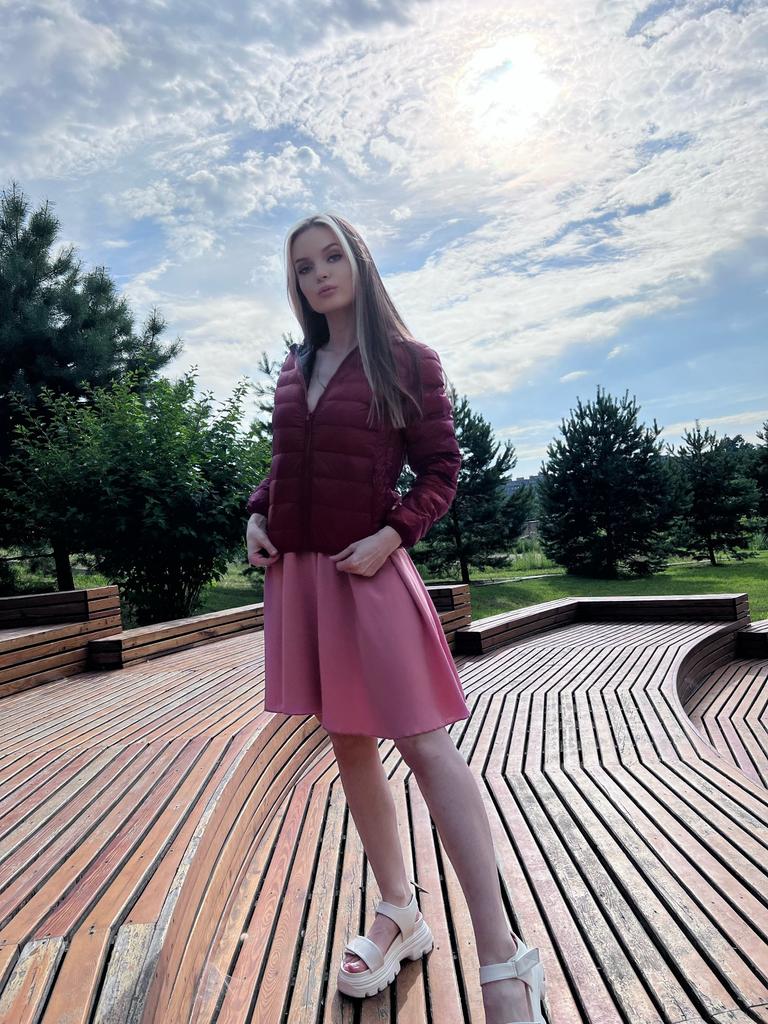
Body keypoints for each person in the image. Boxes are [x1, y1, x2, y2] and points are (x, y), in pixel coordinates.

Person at [245, 213, 546, 1024]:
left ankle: (503, 955)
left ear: (360, 262)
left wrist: (393, 534)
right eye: (303, 266)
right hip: (302, 577)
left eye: (332, 256)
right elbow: (283, 464)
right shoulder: (295, 364)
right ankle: (400, 911)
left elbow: (442, 469)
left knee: (424, 745)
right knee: (347, 742)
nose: (318, 274)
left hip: (370, 572)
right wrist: (256, 514)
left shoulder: (410, 360)